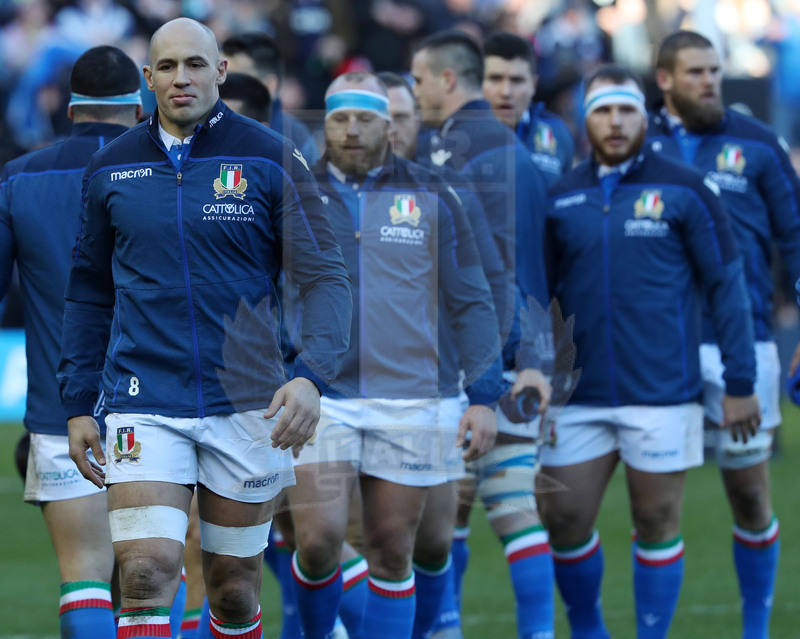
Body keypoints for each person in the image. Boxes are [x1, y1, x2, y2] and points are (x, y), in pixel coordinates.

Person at [57, 18, 352, 639]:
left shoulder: (269, 155)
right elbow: (88, 291)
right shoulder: (112, 167)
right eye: (167, 67)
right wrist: (79, 398)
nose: (181, 78)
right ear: (148, 79)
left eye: (195, 64)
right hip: (145, 398)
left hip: (246, 404)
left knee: (235, 587)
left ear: (221, 71)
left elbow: (326, 277)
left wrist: (312, 378)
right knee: (144, 572)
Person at [538, 65, 761, 639]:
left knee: (656, 518)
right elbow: (539, 298)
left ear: (644, 114)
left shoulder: (687, 188)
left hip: (663, 391)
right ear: (584, 121)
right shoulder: (562, 195)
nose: (615, 122)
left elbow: (727, 287)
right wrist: (537, 374)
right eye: (603, 111)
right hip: (578, 394)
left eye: (626, 110)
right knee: (562, 519)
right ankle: (588, 629)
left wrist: (740, 383)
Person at [286, 71, 504, 639]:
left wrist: (483, 396)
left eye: (365, 119)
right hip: (321, 394)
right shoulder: (293, 193)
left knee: (391, 552)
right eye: (339, 119)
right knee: (316, 543)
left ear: (390, 125)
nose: (352, 131)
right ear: (324, 124)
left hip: (408, 396)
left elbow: (473, 300)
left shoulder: (435, 193)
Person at [647, 30, 800, 639]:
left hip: (744, 341)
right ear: (665, 80)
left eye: (714, 69)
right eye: (695, 72)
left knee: (748, 492)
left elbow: (796, 239)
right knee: (654, 502)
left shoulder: (759, 144)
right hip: (658, 346)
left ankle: (756, 630)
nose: (710, 80)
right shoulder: (639, 144)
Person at [410, 31, 554, 639]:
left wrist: (523, 360)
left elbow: (513, 267)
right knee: (453, 516)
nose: (414, 93)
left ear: (446, 80)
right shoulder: (457, 147)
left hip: (486, 364)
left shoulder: (486, 152)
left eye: (418, 81)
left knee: (494, 510)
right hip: (466, 359)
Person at [0, 46, 146, 639]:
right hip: (158, 401)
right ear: (140, 106)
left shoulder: (18, 178)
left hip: (62, 409)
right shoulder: (164, 171)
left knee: (83, 577)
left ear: (67, 106)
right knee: (149, 582)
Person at [482, 31, 574, 186]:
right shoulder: (458, 135)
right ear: (478, 82)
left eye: (517, 80)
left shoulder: (557, 134)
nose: (506, 92)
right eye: (495, 79)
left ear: (533, 85)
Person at [221, 31, 319, 164]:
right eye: (220, 74)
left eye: (235, 78)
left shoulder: (296, 142)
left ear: (269, 86)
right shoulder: (202, 128)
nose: (221, 84)